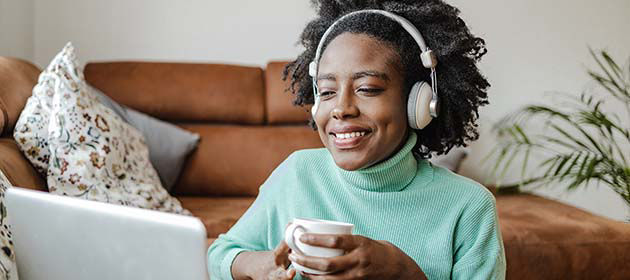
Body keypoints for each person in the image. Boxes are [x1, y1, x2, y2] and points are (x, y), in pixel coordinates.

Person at [208, 0, 505, 279]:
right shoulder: (297, 173)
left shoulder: (469, 208)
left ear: (418, 102)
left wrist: (404, 274)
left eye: (367, 88)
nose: (341, 108)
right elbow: (220, 253)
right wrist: (257, 265)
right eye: (326, 92)